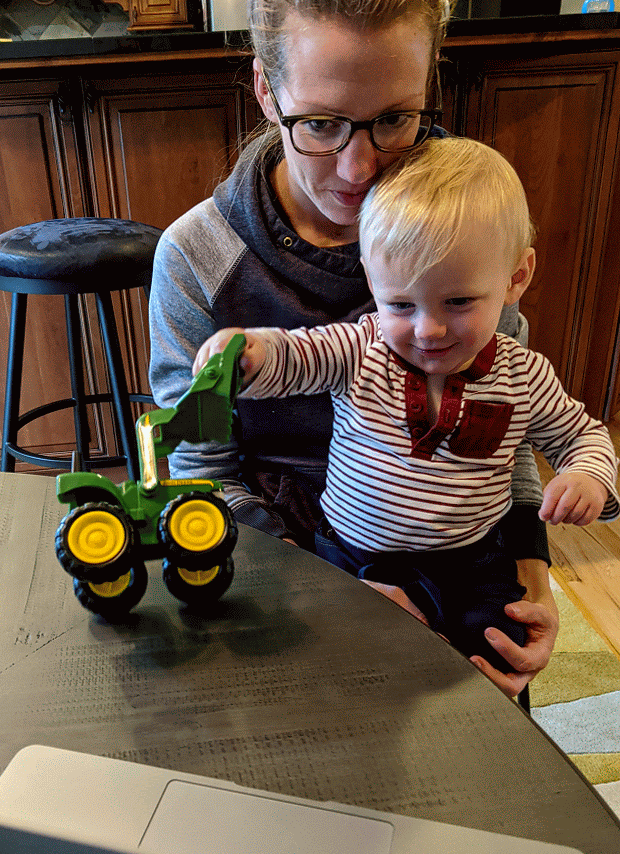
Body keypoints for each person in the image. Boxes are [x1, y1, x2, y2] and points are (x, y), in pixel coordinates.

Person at [148, 0, 560, 695]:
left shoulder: (470, 229)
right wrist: (318, 591)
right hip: (276, 578)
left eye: (395, 119)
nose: (359, 166)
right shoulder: (198, 258)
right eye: (319, 124)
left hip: (459, 565)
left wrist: (531, 577)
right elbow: (196, 476)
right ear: (265, 94)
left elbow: (501, 421)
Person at [192, 137, 620, 670]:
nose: (429, 329)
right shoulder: (360, 346)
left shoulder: (524, 374)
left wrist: (588, 478)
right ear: (373, 281)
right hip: (353, 558)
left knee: (500, 663)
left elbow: (583, 434)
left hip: (472, 565)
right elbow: (295, 355)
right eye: (401, 304)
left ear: (515, 278)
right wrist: (249, 353)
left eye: (459, 301)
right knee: (348, 672)